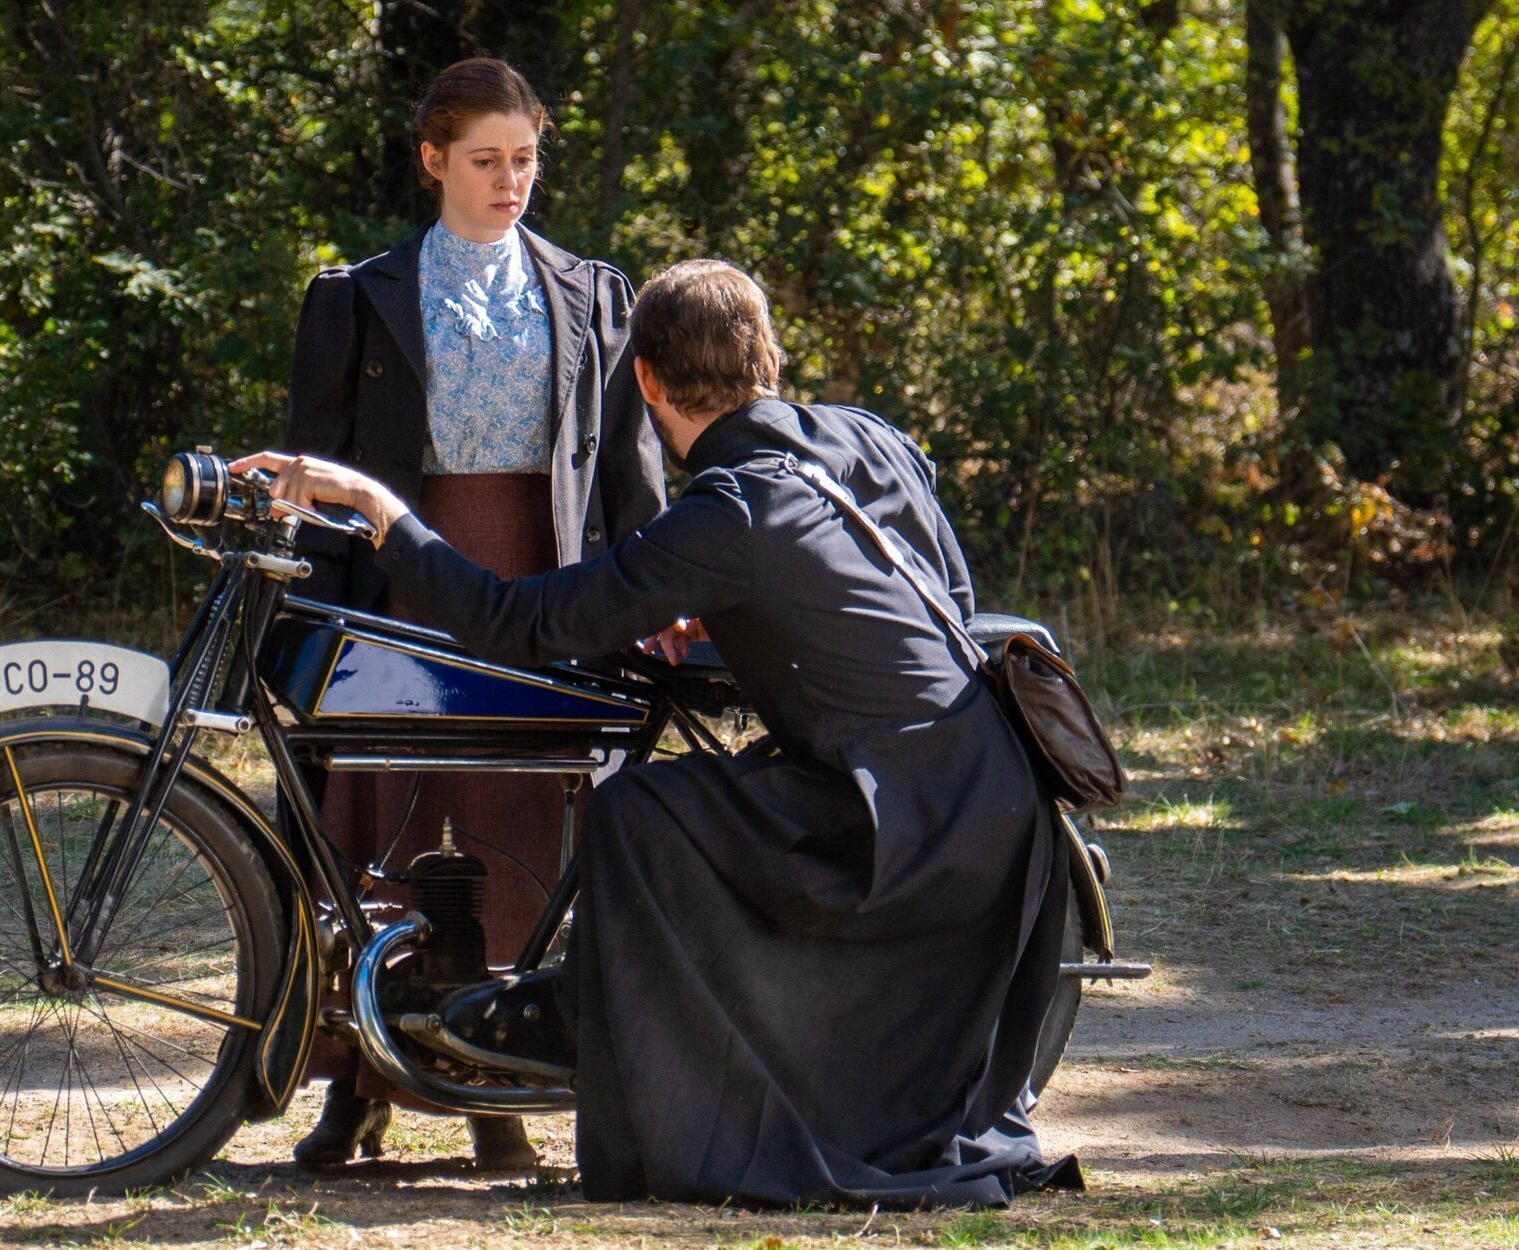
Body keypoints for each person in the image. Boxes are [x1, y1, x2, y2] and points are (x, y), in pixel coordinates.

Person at [236, 259, 1082, 1208]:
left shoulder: (724, 515)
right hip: (992, 798)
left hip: (902, 833)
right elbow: (932, 592)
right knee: (693, 799)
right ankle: (589, 1010)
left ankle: (598, 1029)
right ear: (770, 356)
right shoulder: (864, 440)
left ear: (642, 380)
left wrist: (380, 510)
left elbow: (520, 622)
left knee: (640, 810)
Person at [281, 57, 665, 1170]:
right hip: (398, 586)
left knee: (513, 827)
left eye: (526, 159)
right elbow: (320, 479)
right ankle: (360, 1081)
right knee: (378, 822)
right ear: (432, 159)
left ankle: (495, 1077)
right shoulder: (354, 296)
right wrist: (303, 632)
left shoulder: (593, 290)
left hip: (537, 591)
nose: (511, 180)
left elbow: (625, 479)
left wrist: (644, 600)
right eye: (487, 160)